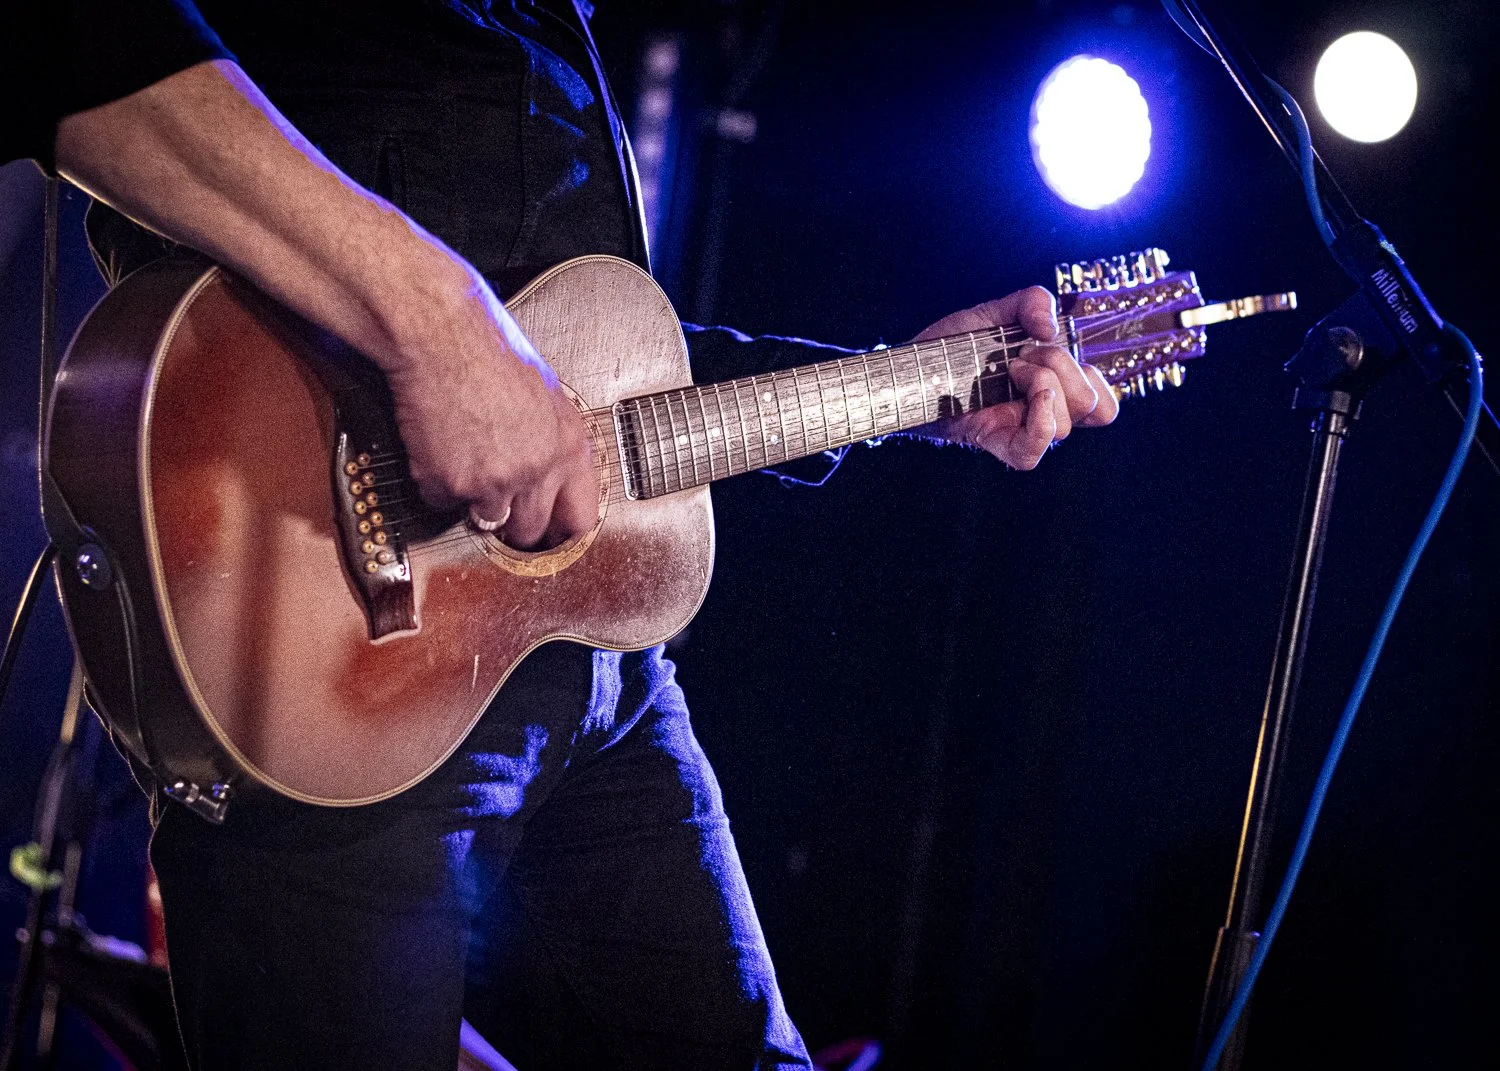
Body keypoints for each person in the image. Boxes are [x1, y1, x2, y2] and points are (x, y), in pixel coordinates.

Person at [4, 2, 1117, 1067]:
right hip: (333, 680)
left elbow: (592, 388)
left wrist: (904, 386)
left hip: (593, 678)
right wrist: (431, 321)